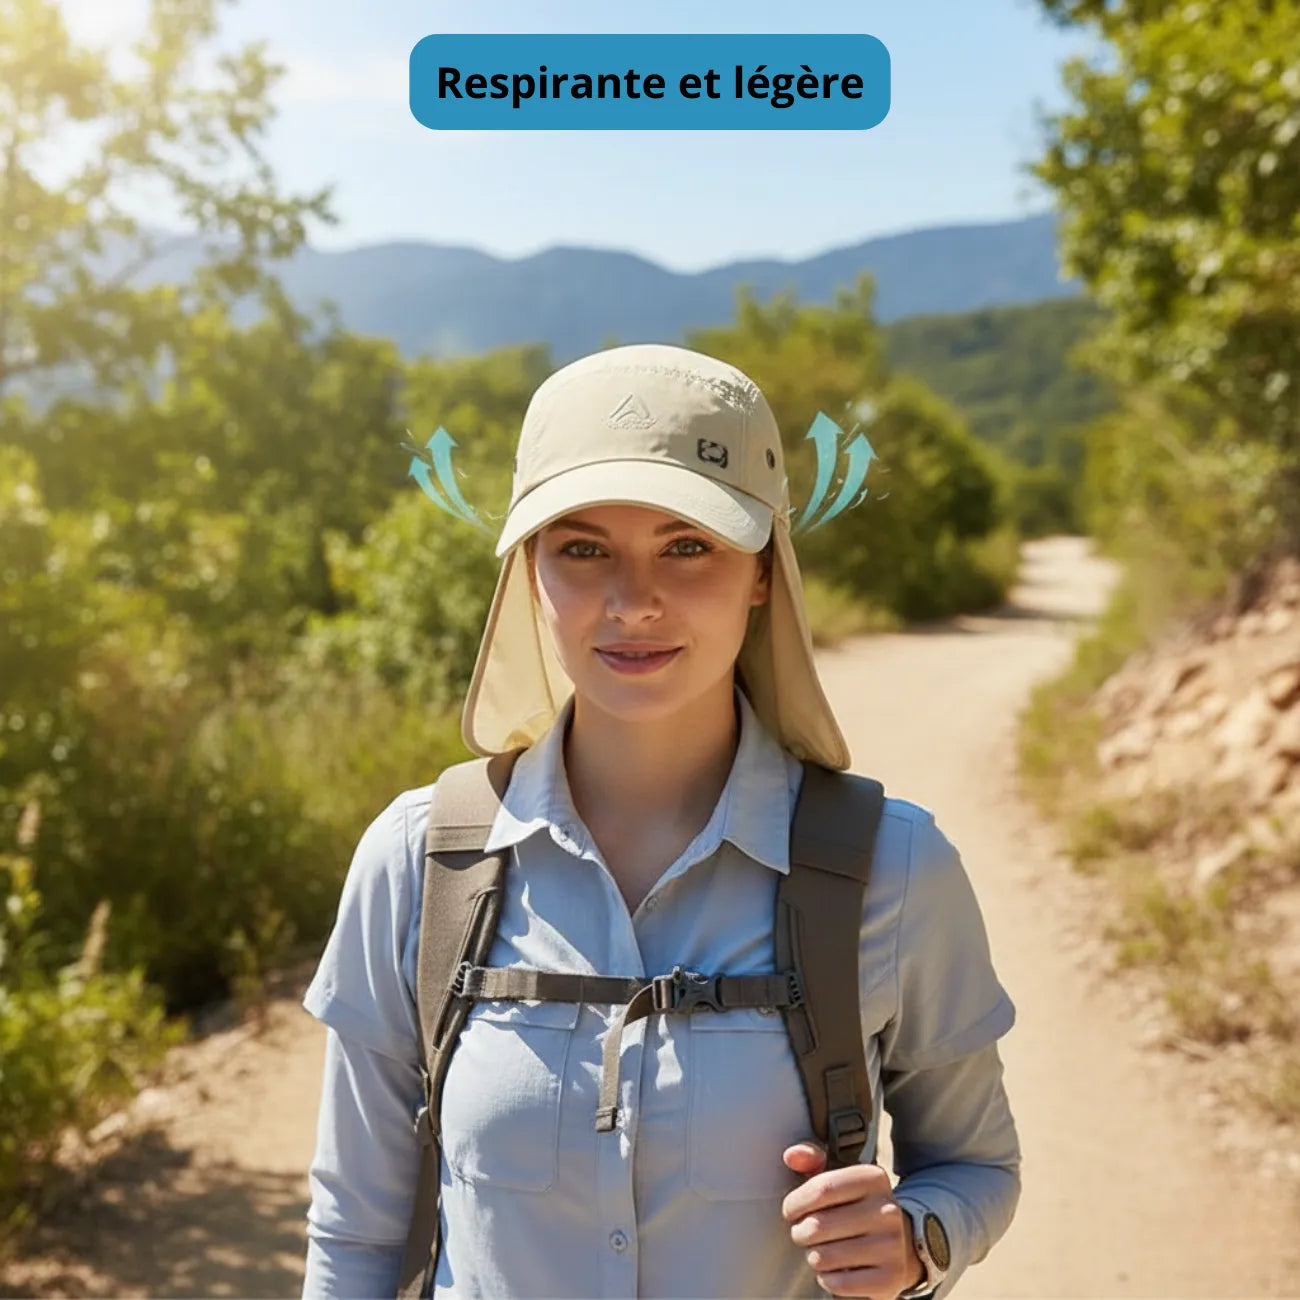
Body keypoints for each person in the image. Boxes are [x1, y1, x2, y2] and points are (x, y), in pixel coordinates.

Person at [300, 343, 1021, 1300]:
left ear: (763, 571)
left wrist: (914, 1240)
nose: (633, 602)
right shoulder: (424, 862)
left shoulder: (892, 866)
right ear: (528, 572)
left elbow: (975, 1166)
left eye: (688, 547)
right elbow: (354, 1235)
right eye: (582, 548)